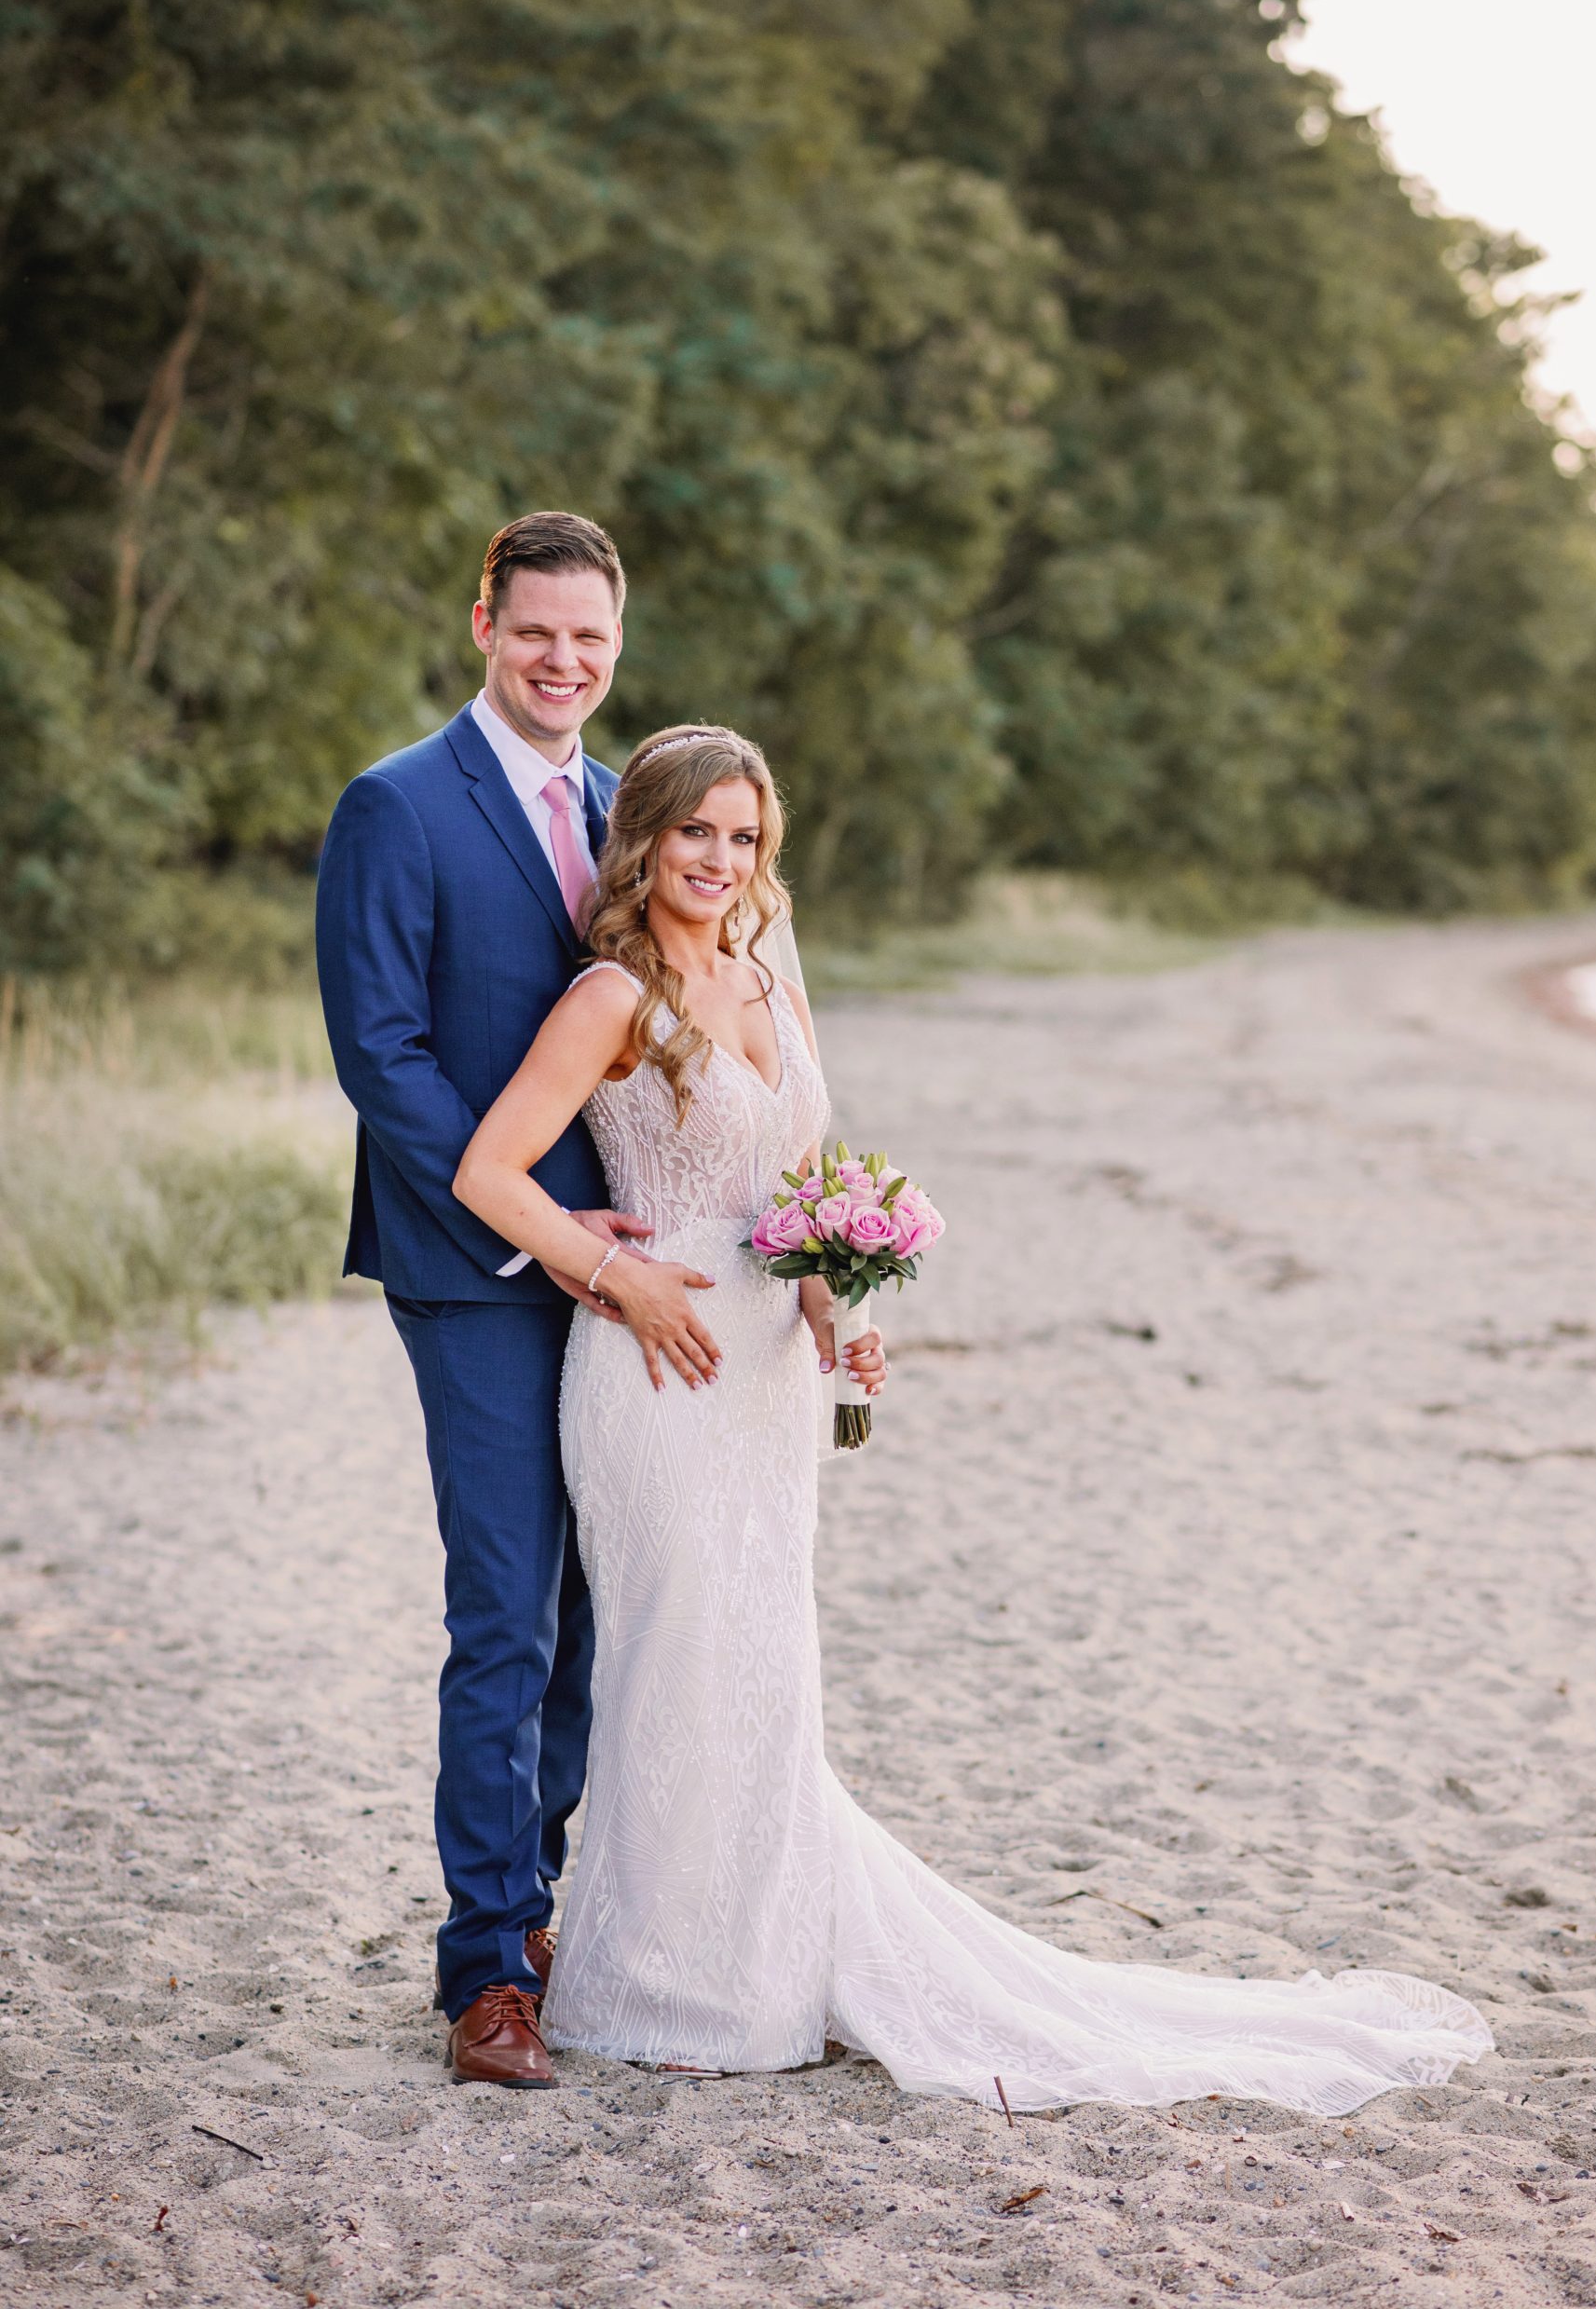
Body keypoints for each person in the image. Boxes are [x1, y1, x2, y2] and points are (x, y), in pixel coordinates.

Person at [453, 727, 1494, 2113]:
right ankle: (659, 1983)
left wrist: (840, 1309)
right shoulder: (608, 998)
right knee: (672, 1652)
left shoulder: (767, 982)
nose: (720, 860)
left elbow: (797, 1182)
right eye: (694, 833)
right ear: (643, 839)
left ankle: (747, 1964)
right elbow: (489, 1171)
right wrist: (617, 1274)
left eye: (744, 837)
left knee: (760, 1662)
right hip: (653, 1371)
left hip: (765, 1370)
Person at [316, 513, 883, 2088]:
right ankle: (486, 1969)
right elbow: (384, 1057)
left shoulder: (631, 806)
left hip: (666, 1270)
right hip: (487, 1264)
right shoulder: (399, 807)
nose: (564, 662)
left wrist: (820, 1285)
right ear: (484, 621)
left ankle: (569, 1914)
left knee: (605, 1617)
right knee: (506, 1613)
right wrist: (573, 1242)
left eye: (592, 641)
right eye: (536, 632)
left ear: (614, 649)